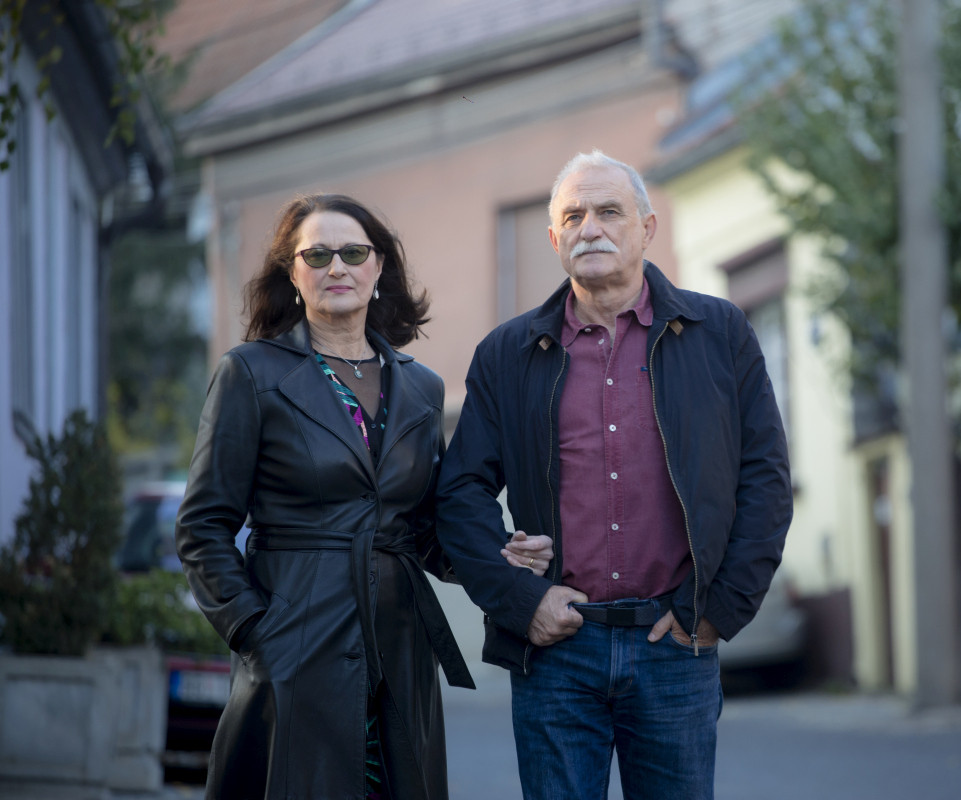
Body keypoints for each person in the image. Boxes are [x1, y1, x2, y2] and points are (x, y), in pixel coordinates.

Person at [436, 151, 793, 800]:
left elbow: (764, 478)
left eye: (608, 212)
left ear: (647, 228)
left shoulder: (719, 333)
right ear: (554, 239)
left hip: (674, 645)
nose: (590, 228)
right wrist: (521, 601)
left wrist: (719, 610)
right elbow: (459, 493)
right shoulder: (506, 355)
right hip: (556, 651)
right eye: (573, 217)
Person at [174, 193, 553, 800]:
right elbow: (202, 528)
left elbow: (424, 529)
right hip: (296, 640)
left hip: (401, 648)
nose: (337, 268)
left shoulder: (422, 387)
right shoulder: (249, 373)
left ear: (378, 267)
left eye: (353, 253)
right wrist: (255, 633)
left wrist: (497, 553)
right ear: (292, 272)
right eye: (317, 255)